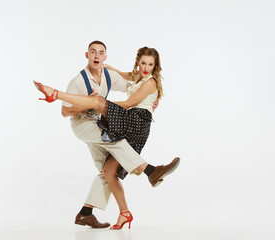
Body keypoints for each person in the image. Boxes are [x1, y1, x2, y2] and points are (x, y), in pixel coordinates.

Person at [34, 41, 180, 229]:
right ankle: (151, 171)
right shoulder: (78, 81)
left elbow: (128, 93)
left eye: (101, 53)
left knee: (108, 171)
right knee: (114, 151)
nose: (96, 56)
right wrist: (93, 103)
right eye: (93, 52)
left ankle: (90, 213)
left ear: (105, 57)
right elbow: (65, 112)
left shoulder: (113, 77)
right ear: (87, 55)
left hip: (124, 121)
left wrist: (104, 104)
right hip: (84, 124)